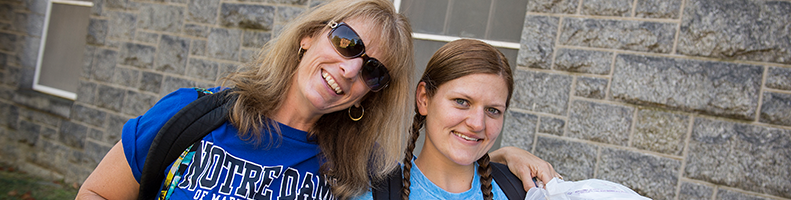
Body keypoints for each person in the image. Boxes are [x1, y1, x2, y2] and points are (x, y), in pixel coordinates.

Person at [76, 0, 557, 199]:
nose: (350, 68)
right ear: (309, 37)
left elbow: (435, 178)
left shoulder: (355, 174)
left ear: (370, 93)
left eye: (373, 70)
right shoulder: (193, 115)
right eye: (347, 43)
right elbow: (98, 192)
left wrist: (493, 157)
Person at [356, 39, 528, 200]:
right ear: (424, 99)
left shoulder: (527, 191)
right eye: (461, 102)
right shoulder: (371, 194)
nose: (477, 124)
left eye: (493, 110)